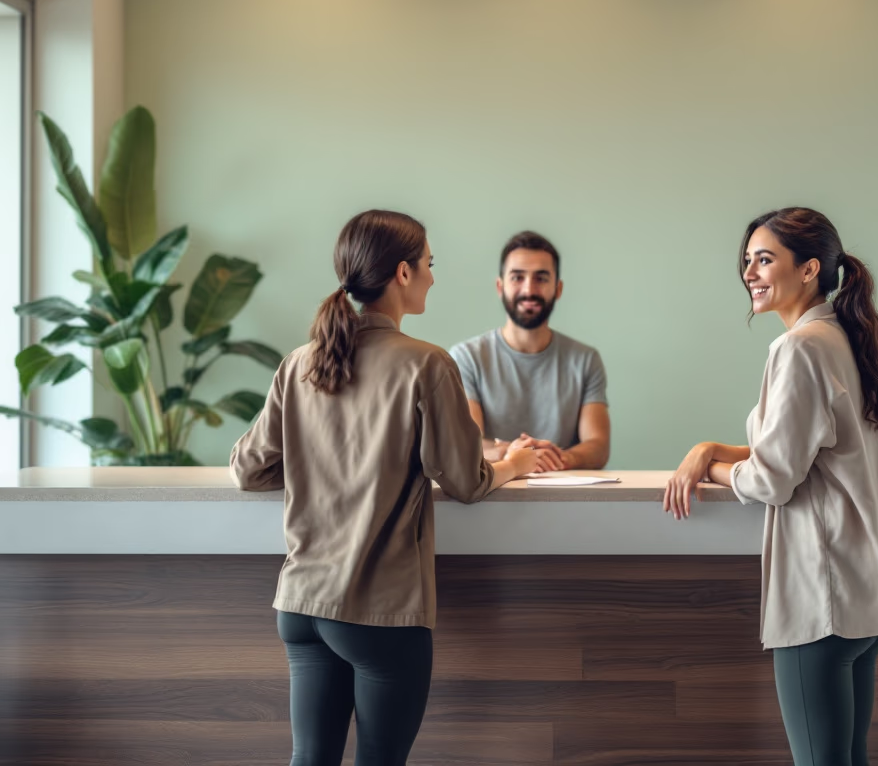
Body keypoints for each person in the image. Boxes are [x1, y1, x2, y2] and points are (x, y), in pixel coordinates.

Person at [230, 210, 539, 766]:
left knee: (310, 759)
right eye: (429, 264)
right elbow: (465, 480)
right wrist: (515, 463)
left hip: (301, 607)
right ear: (402, 272)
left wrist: (317, 458)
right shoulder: (427, 364)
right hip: (379, 614)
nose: (432, 277)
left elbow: (246, 469)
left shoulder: (300, 362)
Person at [664, 207, 878, 766]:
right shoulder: (841, 337)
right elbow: (804, 450)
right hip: (867, 596)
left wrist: (708, 469)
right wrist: (707, 450)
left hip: (823, 598)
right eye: (747, 261)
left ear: (808, 269)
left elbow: (772, 478)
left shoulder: (799, 348)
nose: (750, 273)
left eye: (764, 259)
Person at [449, 230, 610, 472]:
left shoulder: (585, 360)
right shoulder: (467, 358)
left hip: (567, 500)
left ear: (558, 288)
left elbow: (598, 446)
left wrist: (558, 459)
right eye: (517, 277)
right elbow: (466, 442)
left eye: (541, 278)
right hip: (490, 499)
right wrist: (517, 454)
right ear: (500, 286)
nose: (529, 289)